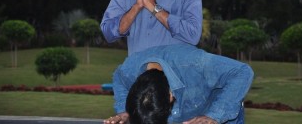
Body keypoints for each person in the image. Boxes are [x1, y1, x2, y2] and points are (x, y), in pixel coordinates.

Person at [103, 44, 254, 124]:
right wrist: (126, 111)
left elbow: (242, 72)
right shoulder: (129, 70)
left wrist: (213, 116)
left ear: (171, 95)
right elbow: (119, 78)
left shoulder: (195, 64)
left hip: (217, 114)